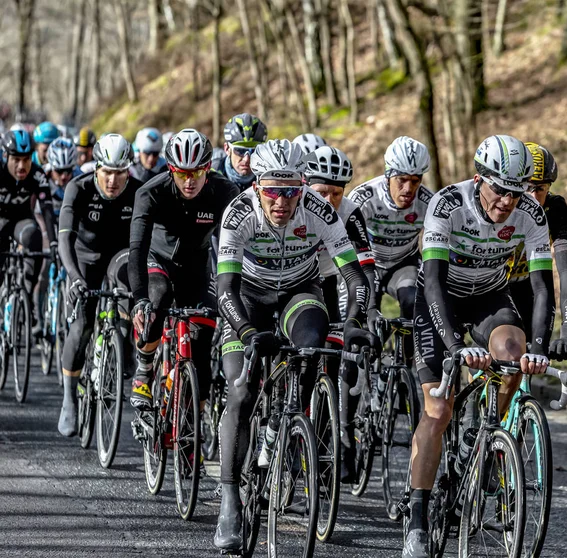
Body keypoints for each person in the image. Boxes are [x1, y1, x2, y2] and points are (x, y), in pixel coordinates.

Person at [213, 139, 375, 551]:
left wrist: (354, 321)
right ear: (255, 186)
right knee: (242, 390)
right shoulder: (238, 212)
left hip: (298, 293)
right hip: (247, 298)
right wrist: (248, 334)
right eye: (272, 190)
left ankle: (282, 428)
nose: (282, 201)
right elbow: (226, 288)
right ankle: (230, 500)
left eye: (291, 191)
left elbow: (355, 277)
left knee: (312, 347)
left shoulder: (318, 209)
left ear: (303, 186)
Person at [403, 135, 555, 558]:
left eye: (516, 192)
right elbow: (431, 279)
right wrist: (454, 344)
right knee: (437, 409)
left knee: (514, 353)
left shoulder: (530, 213)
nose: (507, 202)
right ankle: (417, 519)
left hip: (489, 296)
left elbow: (543, 288)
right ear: (478, 179)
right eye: (499, 190)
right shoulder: (448, 205)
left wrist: (539, 346)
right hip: (440, 300)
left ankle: (480, 434)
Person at [128, 129, 238, 416]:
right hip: (158, 261)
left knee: (202, 348)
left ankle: (193, 426)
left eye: (197, 173)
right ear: (171, 169)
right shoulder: (151, 192)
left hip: (197, 268)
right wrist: (139, 298)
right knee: (158, 299)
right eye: (182, 174)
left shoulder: (225, 192)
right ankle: (145, 367)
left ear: (208, 168)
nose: (189, 181)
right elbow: (137, 249)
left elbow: (239, 244)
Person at [57, 133, 142, 437]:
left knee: (126, 287)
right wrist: (74, 278)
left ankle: (123, 346)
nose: (113, 181)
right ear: (96, 169)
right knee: (81, 327)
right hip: (84, 260)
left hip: (119, 257)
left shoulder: (136, 192)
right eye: (107, 172)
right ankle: (69, 396)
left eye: (120, 173)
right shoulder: (77, 188)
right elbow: (63, 240)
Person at [304, 145, 377, 482]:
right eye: (322, 191)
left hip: (331, 281)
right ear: (306, 185)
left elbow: (365, 270)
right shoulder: (293, 203)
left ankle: (330, 438)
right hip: (294, 281)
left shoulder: (349, 212)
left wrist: (362, 313)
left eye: (337, 192)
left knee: (335, 355)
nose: (330, 199)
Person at [349, 136, 433, 323]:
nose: (408, 189)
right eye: (401, 180)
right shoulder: (364, 198)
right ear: (388, 175)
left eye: (415, 181)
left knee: (414, 303)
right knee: (361, 313)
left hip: (404, 265)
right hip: (367, 263)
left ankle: (409, 351)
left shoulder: (428, 202)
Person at [509, 142, 567, 360]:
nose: (532, 196)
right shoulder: (504, 205)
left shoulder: (555, 209)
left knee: (529, 356)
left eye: (539, 188)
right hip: (489, 286)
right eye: (527, 187)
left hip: (524, 286)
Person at [0, 129, 56, 311]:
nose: (21, 166)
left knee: (35, 237)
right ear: (5, 156)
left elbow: (47, 209)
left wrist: (54, 243)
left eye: (26, 159)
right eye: (16, 160)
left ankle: (27, 296)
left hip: (21, 222)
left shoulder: (37, 175)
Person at [32, 137, 78, 336]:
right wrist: (47, 238)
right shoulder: (43, 178)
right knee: (44, 267)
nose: (64, 176)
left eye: (69, 170)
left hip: (68, 225)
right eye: (60, 171)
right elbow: (34, 210)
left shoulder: (78, 178)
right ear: (52, 167)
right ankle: (39, 317)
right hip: (45, 219)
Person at [212, 113, 268, 192]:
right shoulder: (212, 173)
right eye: (240, 150)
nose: (246, 159)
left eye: (254, 151)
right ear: (227, 149)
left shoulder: (267, 176)